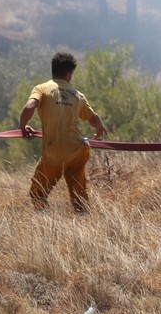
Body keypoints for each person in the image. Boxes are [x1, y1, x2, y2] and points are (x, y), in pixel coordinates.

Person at [19, 51, 107, 213]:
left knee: (38, 192)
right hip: (77, 151)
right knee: (79, 194)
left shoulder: (42, 89)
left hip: (54, 153)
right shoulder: (78, 95)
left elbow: (29, 107)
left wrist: (23, 127)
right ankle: (84, 222)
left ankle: (45, 225)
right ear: (68, 74)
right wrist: (99, 133)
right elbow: (94, 119)